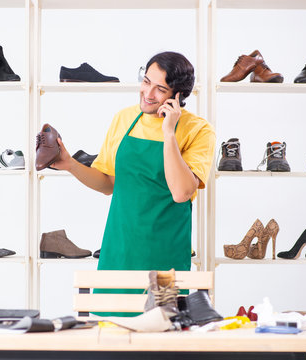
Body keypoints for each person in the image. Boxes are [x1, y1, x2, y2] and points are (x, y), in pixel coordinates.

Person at [52, 52, 215, 308]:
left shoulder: (198, 130)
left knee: (163, 332)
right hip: (119, 248)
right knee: (110, 332)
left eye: (160, 89)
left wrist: (169, 133)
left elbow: (181, 192)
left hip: (165, 255)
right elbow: (108, 183)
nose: (148, 93)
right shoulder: (124, 118)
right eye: (146, 81)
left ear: (179, 96)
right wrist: (70, 165)